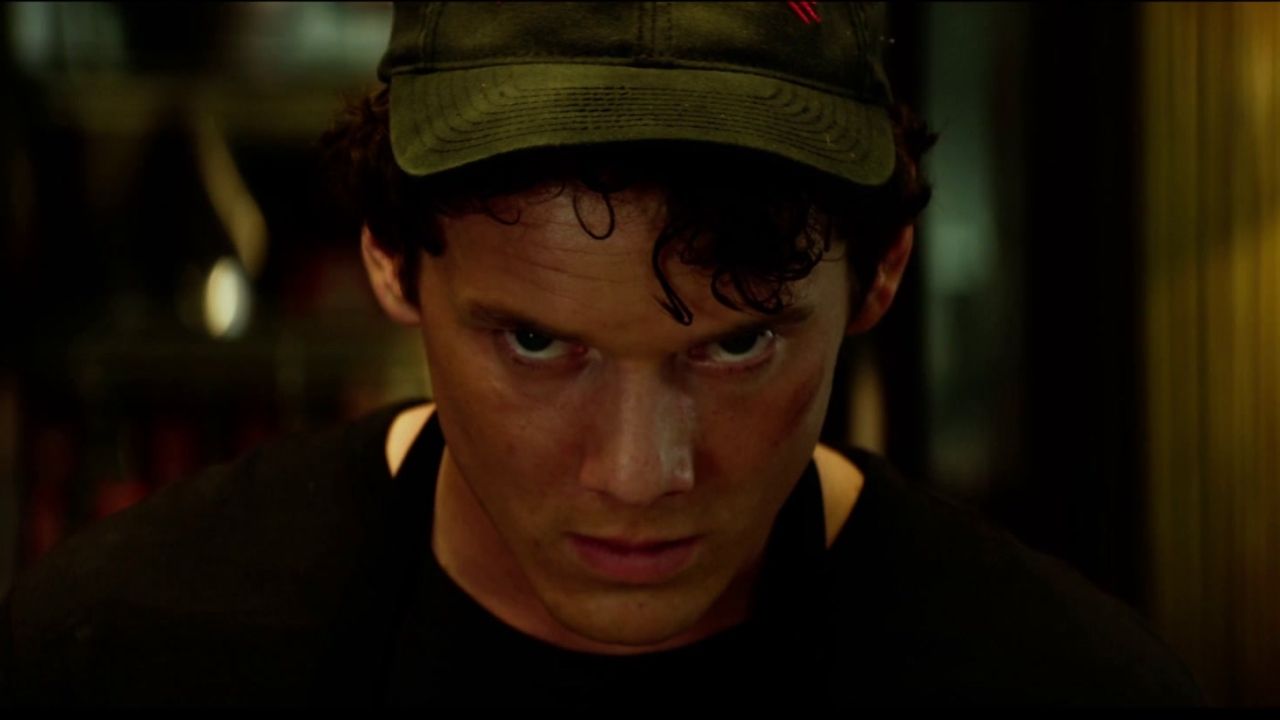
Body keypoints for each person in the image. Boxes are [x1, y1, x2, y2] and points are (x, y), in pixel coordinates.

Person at [2, 1, 1204, 707]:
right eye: (536, 342)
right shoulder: (125, 657)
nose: (637, 476)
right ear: (389, 261)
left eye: (737, 344)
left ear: (880, 273)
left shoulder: (1060, 685)